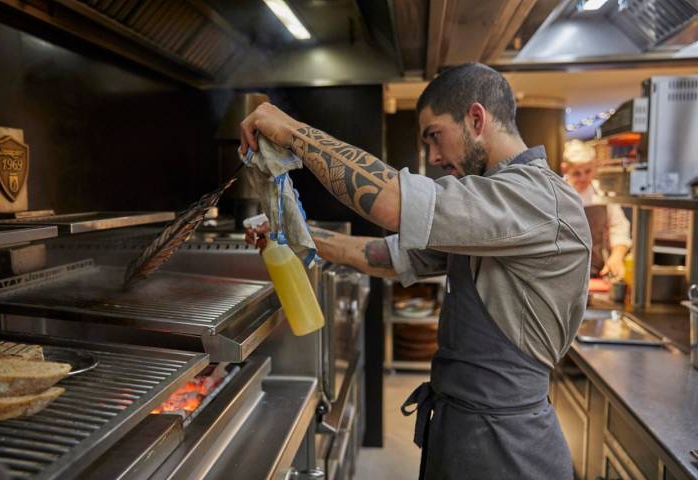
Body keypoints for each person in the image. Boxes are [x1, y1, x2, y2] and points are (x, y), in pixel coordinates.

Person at [240, 63, 590, 480]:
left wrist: (293, 132)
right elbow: (386, 255)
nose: (434, 157)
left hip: (509, 449)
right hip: (464, 429)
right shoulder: (489, 206)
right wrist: (291, 235)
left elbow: (390, 202)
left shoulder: (537, 199)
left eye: (434, 136)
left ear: (476, 119)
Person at [562, 139, 631, 279]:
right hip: (563, 272)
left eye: (587, 171)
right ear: (565, 169)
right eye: (576, 173)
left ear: (594, 166)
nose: (583, 178)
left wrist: (617, 256)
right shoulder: (556, 194)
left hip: (597, 270)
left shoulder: (603, 193)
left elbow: (619, 226)